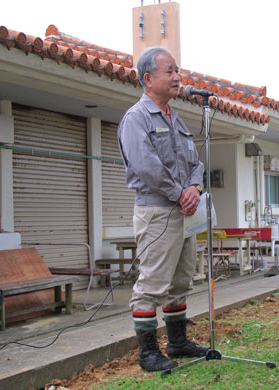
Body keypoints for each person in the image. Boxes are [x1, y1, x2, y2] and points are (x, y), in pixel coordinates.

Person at [118, 47, 209, 372]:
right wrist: (179, 193)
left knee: (181, 280)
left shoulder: (177, 120)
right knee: (152, 284)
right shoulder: (136, 119)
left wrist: (194, 188)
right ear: (147, 78)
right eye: (169, 71)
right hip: (157, 212)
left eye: (177, 70)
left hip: (185, 214)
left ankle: (178, 342)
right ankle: (147, 353)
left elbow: (195, 163)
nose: (177, 77)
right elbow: (146, 166)